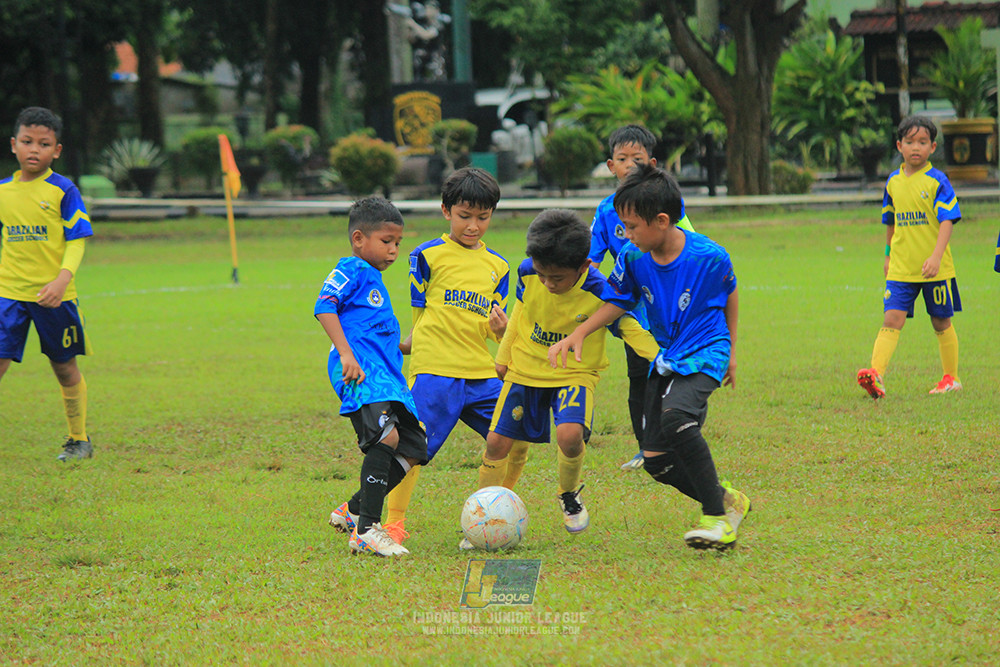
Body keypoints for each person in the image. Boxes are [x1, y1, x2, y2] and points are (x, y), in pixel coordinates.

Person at [549, 163, 750, 551]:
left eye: (632, 226)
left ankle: (717, 519)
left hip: (707, 350)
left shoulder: (708, 256)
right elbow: (618, 301)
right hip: (668, 356)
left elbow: (731, 294)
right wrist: (579, 332)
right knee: (657, 460)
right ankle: (729, 500)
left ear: (661, 220)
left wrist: (734, 351)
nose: (625, 234)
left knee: (677, 418)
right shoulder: (633, 257)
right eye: (622, 226)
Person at [463, 208, 660, 550]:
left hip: (575, 372)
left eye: (556, 278)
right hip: (526, 368)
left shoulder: (601, 289)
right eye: (542, 275)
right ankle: (481, 516)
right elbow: (521, 313)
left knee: (569, 436)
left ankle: (568, 495)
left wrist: (659, 358)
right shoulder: (528, 273)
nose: (547, 284)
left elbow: (628, 327)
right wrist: (503, 356)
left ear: (584, 266)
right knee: (496, 443)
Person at [381, 167, 530, 544]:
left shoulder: (500, 267)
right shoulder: (425, 255)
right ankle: (394, 523)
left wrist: (499, 333)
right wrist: (409, 344)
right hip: (435, 370)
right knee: (413, 447)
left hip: (481, 372)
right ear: (446, 211)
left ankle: (493, 512)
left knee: (516, 433)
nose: (473, 226)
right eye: (465, 216)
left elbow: (492, 326)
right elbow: (422, 312)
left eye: (483, 217)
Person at [317, 196, 427, 557]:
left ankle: (351, 510)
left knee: (413, 447)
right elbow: (324, 306)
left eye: (398, 243)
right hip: (361, 373)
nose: (394, 250)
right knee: (388, 437)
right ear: (359, 238)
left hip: (388, 376)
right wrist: (346, 354)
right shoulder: (350, 267)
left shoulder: (373, 279)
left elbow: (374, 331)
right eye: (387, 241)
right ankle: (367, 529)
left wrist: (407, 345)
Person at [589, 124, 695, 472]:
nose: (629, 165)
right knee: (640, 376)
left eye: (637, 158)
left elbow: (688, 246)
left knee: (673, 373)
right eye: (622, 158)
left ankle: (680, 436)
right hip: (633, 311)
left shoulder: (668, 201)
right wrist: (609, 293)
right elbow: (591, 260)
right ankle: (645, 446)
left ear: (651, 162)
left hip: (668, 304)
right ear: (610, 165)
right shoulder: (606, 212)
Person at [0, 107, 94, 461]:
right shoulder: (3, 192)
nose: (33, 149)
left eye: (43, 143)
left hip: (54, 297)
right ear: (14, 145)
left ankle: (78, 439)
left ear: (56, 150)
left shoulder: (62, 190)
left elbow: (77, 238)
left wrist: (61, 279)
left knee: (64, 366)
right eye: (27, 142)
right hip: (8, 294)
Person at [856, 116, 963, 400]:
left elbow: (948, 220)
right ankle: (876, 375)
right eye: (911, 142)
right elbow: (890, 221)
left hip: (934, 268)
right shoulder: (892, 182)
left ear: (933, 147)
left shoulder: (937, 181)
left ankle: (950, 378)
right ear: (899, 145)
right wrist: (888, 255)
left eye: (923, 142)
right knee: (892, 318)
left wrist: (936, 257)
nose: (916, 147)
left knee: (941, 321)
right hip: (901, 267)